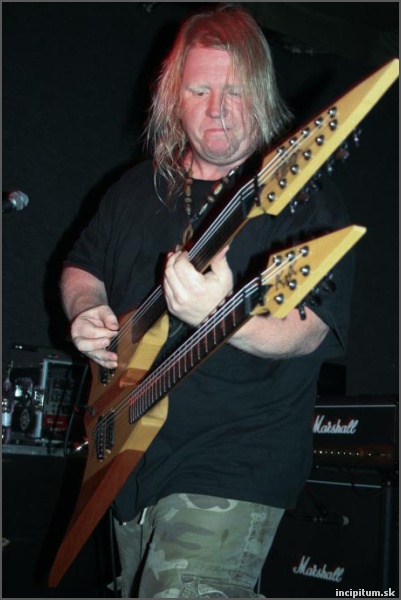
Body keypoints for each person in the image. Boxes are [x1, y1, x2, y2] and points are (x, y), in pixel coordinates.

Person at [60, 4, 354, 597]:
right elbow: (80, 266)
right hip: (128, 461)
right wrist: (84, 309)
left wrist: (223, 318)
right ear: (173, 98)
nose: (217, 109)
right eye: (199, 90)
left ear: (262, 96)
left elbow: (310, 328)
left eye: (235, 91)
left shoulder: (303, 199)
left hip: (232, 463)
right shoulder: (134, 189)